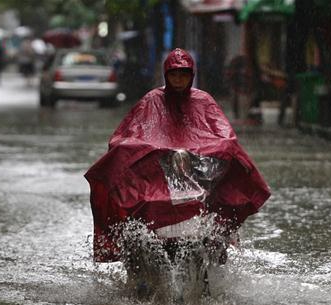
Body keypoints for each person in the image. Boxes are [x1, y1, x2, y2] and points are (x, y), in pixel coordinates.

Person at [85, 48, 271, 263]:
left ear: (191, 76)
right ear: (166, 75)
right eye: (174, 75)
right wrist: (141, 151)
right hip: (156, 177)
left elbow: (225, 137)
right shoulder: (151, 101)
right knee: (138, 216)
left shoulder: (204, 101)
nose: (179, 80)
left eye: (183, 75)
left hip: (198, 174)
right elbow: (126, 137)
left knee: (215, 219)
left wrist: (209, 151)